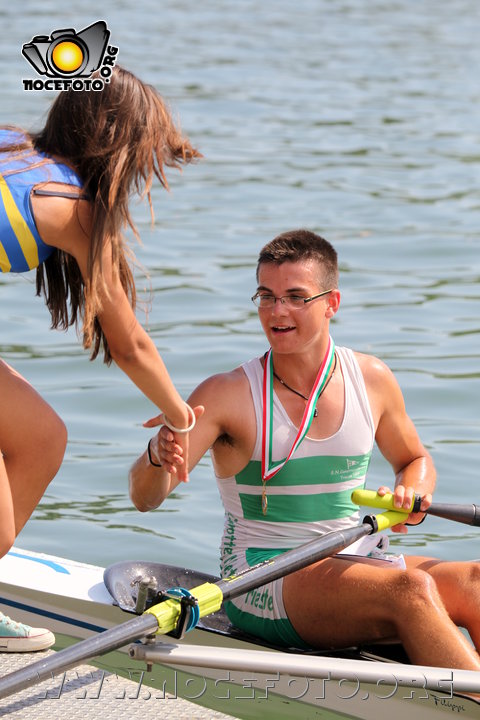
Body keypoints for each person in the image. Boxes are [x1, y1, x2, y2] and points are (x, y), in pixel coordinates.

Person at [129, 229, 480, 672]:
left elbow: (415, 460)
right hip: (261, 575)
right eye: (266, 296)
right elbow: (146, 498)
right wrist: (158, 456)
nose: (278, 311)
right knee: (412, 591)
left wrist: (412, 490)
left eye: (296, 296)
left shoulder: (371, 379)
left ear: (332, 303)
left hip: (355, 555)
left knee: (475, 583)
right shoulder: (227, 395)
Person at [0, 65, 201, 651]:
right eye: (144, 154)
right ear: (116, 144)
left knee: (41, 438)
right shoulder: (75, 208)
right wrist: (179, 415)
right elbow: (129, 342)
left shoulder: (16, 149)